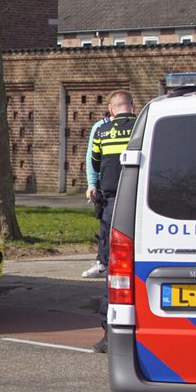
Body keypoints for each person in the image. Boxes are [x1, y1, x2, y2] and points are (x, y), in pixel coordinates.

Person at [82, 91, 138, 279]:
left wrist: (94, 183)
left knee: (109, 231)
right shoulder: (143, 127)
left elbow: (94, 162)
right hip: (139, 191)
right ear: (133, 105)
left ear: (110, 109)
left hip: (112, 192)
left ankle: (107, 267)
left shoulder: (101, 131)